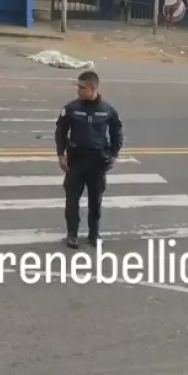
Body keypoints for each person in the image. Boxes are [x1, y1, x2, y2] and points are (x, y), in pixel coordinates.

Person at [54, 71, 124, 249]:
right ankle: (72, 234)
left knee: (96, 201)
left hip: (97, 162)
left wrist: (113, 155)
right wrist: (61, 155)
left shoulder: (107, 110)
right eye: (78, 86)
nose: (78, 90)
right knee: (72, 200)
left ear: (93, 88)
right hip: (76, 161)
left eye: (82, 87)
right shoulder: (71, 108)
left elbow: (117, 132)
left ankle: (94, 234)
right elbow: (61, 131)